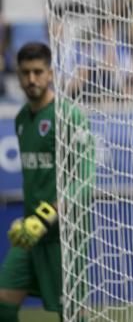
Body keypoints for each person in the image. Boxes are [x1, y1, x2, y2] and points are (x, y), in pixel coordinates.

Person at [0, 43, 94, 320]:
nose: (32, 79)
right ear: (17, 74)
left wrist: (44, 217)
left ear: (50, 74)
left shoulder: (69, 116)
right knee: (4, 297)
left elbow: (85, 180)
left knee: (73, 314)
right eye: (26, 72)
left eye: (38, 72)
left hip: (63, 237)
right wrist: (34, 223)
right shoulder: (20, 120)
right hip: (31, 235)